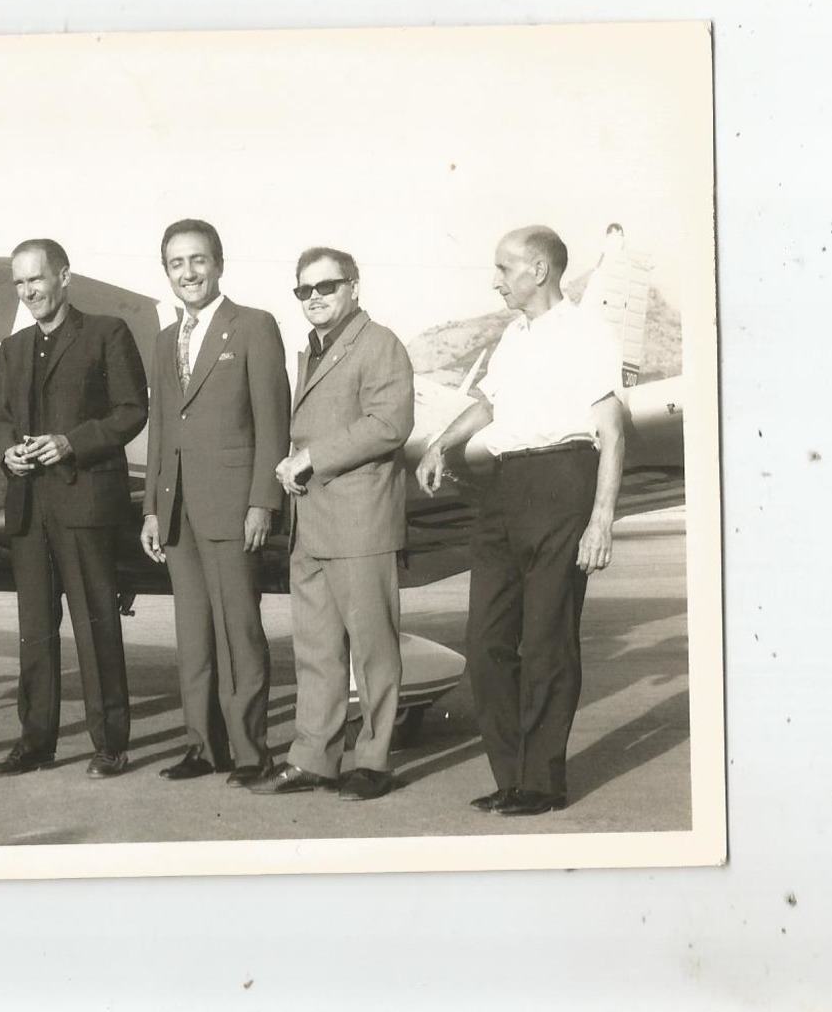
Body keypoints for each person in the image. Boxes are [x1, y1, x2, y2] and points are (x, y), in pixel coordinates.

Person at [415, 225, 625, 817]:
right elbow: (487, 404)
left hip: (563, 479)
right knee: (485, 642)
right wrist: (439, 444)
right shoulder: (514, 335)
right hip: (503, 486)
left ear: (539, 270)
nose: (496, 279)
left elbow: (612, 431)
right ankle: (511, 776)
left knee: (548, 642)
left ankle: (542, 782)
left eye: (505, 268)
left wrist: (601, 519)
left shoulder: (588, 334)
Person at [251, 247, 415, 799]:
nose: (316, 298)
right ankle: (314, 758)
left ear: (354, 286)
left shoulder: (379, 343)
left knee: (373, 650)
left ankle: (373, 760)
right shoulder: (313, 351)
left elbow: (390, 423)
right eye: (305, 291)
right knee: (316, 650)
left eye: (327, 286)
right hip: (312, 524)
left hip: (359, 521)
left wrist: (309, 457)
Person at [0, 239, 149, 778]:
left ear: (63, 278)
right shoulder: (12, 349)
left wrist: (72, 443)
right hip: (29, 508)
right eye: (19, 283)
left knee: (96, 625)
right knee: (34, 630)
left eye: (37, 279)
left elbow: (132, 412)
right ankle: (35, 742)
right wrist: (6, 452)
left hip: (85, 504)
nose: (28, 291)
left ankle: (109, 744)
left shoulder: (107, 333)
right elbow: (0, 424)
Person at [140, 219, 291, 786]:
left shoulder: (253, 326)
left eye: (198, 260)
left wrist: (263, 501)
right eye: (177, 263)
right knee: (193, 635)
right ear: (167, 273)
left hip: (232, 506)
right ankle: (204, 747)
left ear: (219, 264)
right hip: (176, 511)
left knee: (239, 633)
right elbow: (161, 429)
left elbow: (273, 421)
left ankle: (252, 752)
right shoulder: (162, 339)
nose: (188, 273)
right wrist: (152, 508)